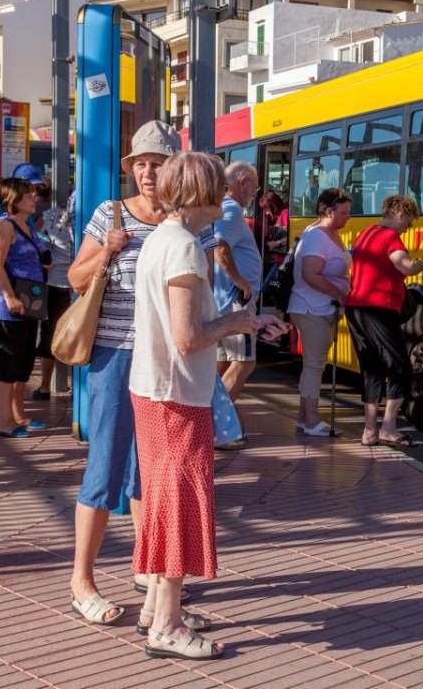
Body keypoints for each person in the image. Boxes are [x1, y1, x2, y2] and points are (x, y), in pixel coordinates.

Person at [129, 150, 285, 660]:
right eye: (221, 185)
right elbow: (189, 337)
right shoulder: (184, 249)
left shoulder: (164, 238)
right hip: (176, 395)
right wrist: (236, 322)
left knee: (162, 502)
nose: (229, 193)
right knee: (178, 506)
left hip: (155, 390)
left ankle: (155, 608)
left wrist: (243, 322)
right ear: (204, 192)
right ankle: (167, 625)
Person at [66, 120, 214, 626]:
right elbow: (74, 278)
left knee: (149, 472)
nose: (148, 173)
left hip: (165, 362)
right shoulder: (110, 213)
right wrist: (107, 250)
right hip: (115, 353)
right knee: (105, 466)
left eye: (158, 164)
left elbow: (199, 292)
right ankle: (82, 581)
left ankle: (148, 571)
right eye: (141, 164)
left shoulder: (190, 222)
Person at [346, 195, 423, 447]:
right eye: (408, 221)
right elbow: (406, 267)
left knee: (372, 369)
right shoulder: (389, 237)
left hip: (356, 308)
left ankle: (370, 431)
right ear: (400, 213)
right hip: (377, 309)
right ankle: (388, 428)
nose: (408, 227)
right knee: (400, 368)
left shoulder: (366, 233)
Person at [0, 166, 47, 417]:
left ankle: (18, 415)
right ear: (14, 199)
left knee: (24, 363)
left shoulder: (27, 224)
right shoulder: (5, 225)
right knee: (8, 362)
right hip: (9, 305)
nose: (34, 197)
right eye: (28, 194)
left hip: (30, 301)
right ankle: (5, 420)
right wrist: (9, 296)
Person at [288, 188, 352, 437]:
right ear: (328, 212)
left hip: (322, 308)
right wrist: (339, 294)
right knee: (314, 365)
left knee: (315, 363)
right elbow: (310, 273)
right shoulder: (316, 236)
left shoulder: (330, 233)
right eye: (344, 212)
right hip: (311, 307)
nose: (348, 217)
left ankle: (303, 417)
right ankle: (312, 419)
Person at [212, 162, 263, 450]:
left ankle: (213, 425)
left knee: (220, 365)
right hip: (234, 301)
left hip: (221, 300)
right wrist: (241, 281)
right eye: (255, 187)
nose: (255, 194)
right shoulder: (231, 209)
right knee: (244, 362)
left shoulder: (220, 208)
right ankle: (218, 427)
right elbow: (220, 246)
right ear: (243, 182)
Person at [35, 190, 75, 399]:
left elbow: (35, 237)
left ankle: (44, 387)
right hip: (75, 284)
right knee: (75, 334)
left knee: (50, 333)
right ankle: (76, 384)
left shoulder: (50, 215)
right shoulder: (90, 217)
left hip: (52, 282)